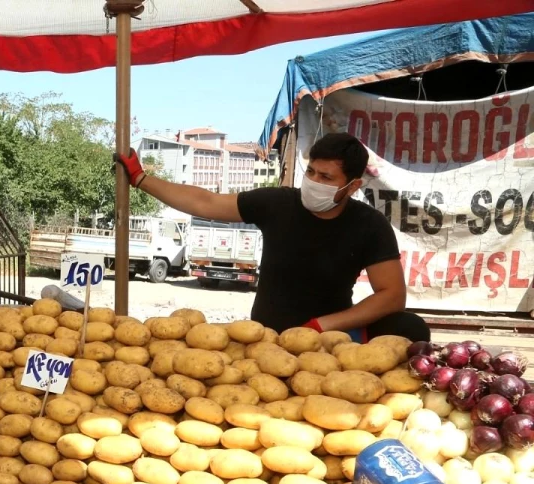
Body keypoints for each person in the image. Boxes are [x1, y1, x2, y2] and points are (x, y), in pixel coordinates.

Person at [116, 132, 430, 342]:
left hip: (330, 337)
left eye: (326, 177)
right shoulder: (278, 203)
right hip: (265, 335)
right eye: (311, 172)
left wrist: (322, 326)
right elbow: (206, 202)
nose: (314, 182)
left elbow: (391, 296)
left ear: (352, 186)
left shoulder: (369, 225)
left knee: (409, 327)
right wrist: (142, 179)